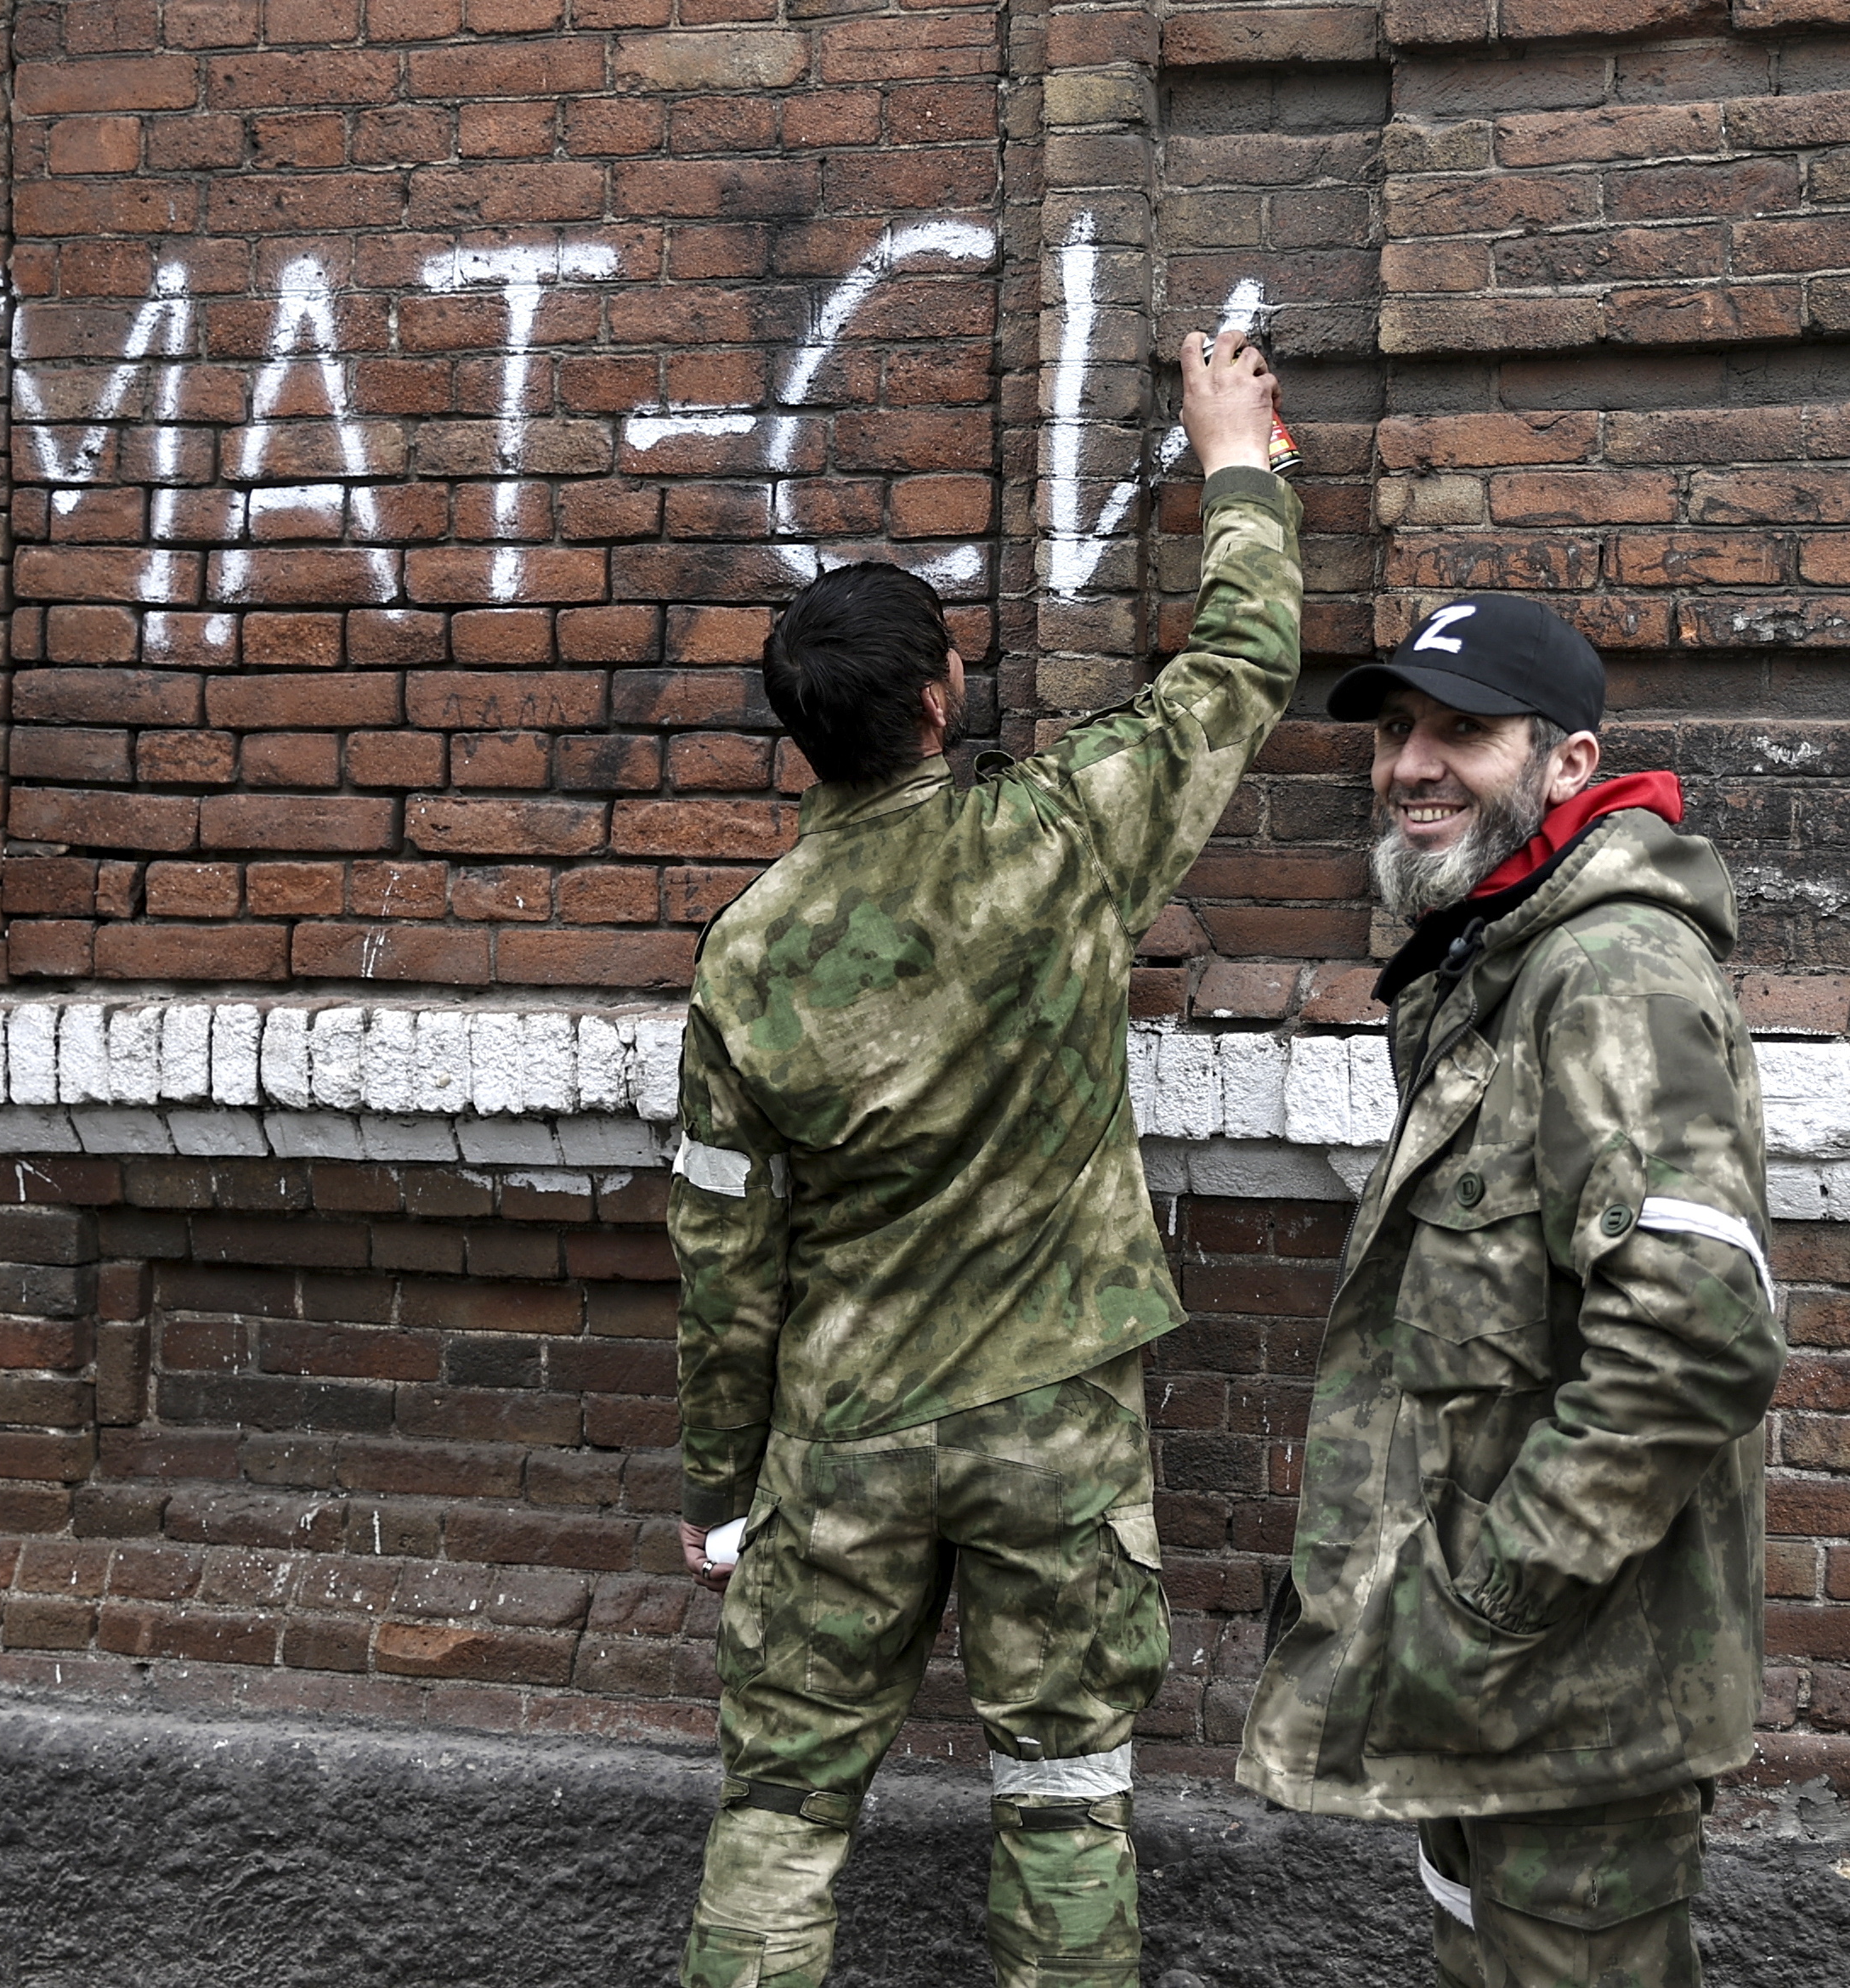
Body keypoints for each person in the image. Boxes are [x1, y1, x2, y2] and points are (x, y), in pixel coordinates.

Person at [669, 333, 1300, 1988]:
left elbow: (723, 1253)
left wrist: (720, 1489)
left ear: (804, 733)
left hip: (844, 1431)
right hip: (1053, 1420)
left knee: (780, 1812)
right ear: (940, 701)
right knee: (1067, 1800)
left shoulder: (747, 954)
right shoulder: (1057, 838)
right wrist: (1238, 459)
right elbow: (1237, 664)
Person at [1237, 598, 1783, 1987]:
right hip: (1481, 1693)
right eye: (1394, 730)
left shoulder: (1608, 975)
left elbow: (1694, 1338)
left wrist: (1487, 1602)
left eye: (1462, 731)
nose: (1409, 765)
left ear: (1566, 761)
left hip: (1569, 1692)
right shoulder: (1495, 957)